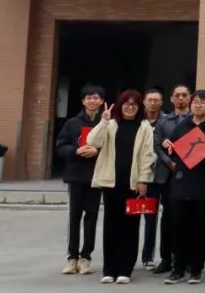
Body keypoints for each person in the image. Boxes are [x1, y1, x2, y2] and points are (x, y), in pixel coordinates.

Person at [87, 90, 154, 284]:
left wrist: (143, 179)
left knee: (130, 227)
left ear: (139, 107)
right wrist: (103, 120)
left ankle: (125, 269)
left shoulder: (144, 127)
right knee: (111, 226)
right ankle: (109, 269)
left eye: (134, 104)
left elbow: (147, 155)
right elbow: (92, 141)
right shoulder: (111, 124)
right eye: (126, 103)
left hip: (132, 184)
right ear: (120, 105)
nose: (130, 107)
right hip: (111, 182)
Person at [163, 89, 205, 285]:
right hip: (181, 182)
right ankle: (178, 269)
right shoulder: (183, 125)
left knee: (200, 228)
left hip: (204, 183)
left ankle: (196, 269)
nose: (198, 105)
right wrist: (168, 146)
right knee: (178, 227)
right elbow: (173, 151)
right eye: (196, 101)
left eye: (203, 102)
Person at [55, 83, 105, 276]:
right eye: (89, 98)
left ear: (101, 101)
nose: (92, 101)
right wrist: (76, 150)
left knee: (91, 216)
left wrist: (97, 151)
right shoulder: (72, 123)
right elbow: (60, 146)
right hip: (76, 175)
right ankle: (72, 257)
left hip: (96, 176)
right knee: (74, 216)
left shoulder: (106, 123)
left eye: (96, 98)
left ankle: (86, 257)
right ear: (83, 101)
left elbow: (112, 148)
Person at [151, 83, 191, 275]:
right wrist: (170, 163)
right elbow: (157, 145)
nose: (181, 98)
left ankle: (187, 259)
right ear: (171, 99)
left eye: (184, 95)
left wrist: (183, 164)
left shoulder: (195, 119)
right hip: (168, 175)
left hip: (190, 175)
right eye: (177, 95)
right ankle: (166, 259)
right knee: (168, 218)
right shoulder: (164, 121)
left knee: (188, 219)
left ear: (190, 98)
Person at [140, 87, 165, 271]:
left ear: (162, 102)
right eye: (150, 100)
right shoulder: (138, 122)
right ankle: (146, 256)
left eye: (156, 100)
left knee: (164, 219)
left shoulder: (167, 121)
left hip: (163, 176)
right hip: (144, 178)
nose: (153, 103)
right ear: (144, 102)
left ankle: (165, 256)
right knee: (147, 217)